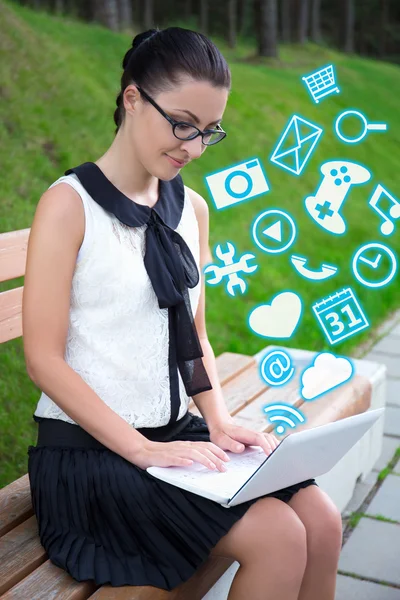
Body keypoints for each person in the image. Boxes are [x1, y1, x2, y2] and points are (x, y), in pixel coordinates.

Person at [22, 26, 342, 600]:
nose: (193, 147)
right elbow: (43, 360)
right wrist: (142, 450)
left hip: (175, 437)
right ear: (132, 98)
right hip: (92, 456)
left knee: (320, 520)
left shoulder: (190, 206)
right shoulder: (68, 206)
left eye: (208, 131)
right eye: (182, 124)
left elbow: (191, 332)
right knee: (279, 539)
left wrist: (218, 420)